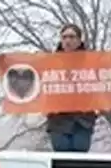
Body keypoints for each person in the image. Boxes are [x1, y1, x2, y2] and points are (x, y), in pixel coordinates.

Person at [45, 24, 97, 152]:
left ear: (79, 40)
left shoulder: (92, 62)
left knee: (79, 157)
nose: (68, 40)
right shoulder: (50, 62)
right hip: (58, 121)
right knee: (61, 158)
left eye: (72, 37)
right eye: (64, 37)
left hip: (83, 121)